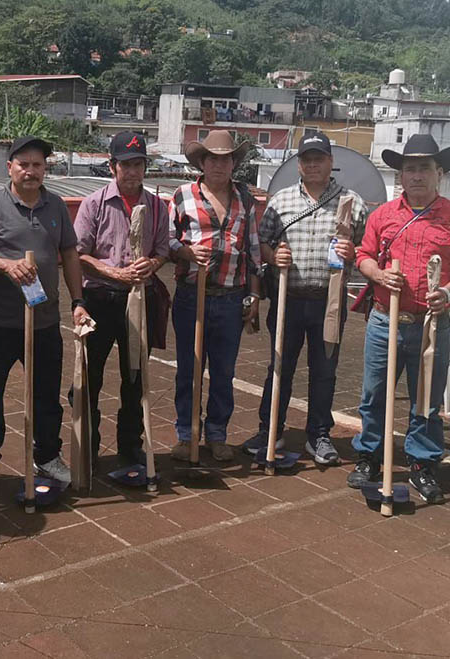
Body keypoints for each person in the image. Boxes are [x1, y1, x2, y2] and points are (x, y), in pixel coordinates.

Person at [349, 134, 450, 503]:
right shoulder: (383, 215)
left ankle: (422, 463)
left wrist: (449, 292)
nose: (417, 175)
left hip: (431, 325)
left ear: (439, 173)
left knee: (426, 398)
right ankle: (369, 456)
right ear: (401, 175)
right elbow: (363, 255)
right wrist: (378, 275)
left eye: (425, 168)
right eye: (410, 169)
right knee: (374, 394)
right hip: (385, 321)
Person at [0, 136, 92, 498]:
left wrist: (78, 300)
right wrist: (5, 265)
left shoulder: (56, 206)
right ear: (10, 167)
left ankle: (47, 456)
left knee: (47, 396)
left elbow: (69, 254)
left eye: (38, 165)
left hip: (44, 321)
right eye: (24, 164)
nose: (31, 171)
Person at [244, 133, 366, 465]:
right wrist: (274, 256)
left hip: (330, 302)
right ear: (299, 165)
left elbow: (368, 250)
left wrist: (353, 252)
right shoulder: (280, 201)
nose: (313, 165)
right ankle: (270, 429)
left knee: (324, 370)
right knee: (279, 366)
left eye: (319, 159)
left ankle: (319, 435)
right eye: (307, 160)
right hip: (288, 299)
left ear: (330, 162)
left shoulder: (351, 203)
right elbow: (261, 244)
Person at [73, 131, 169, 470]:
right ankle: (88, 446)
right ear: (112, 166)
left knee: (135, 377)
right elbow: (78, 255)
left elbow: (163, 250)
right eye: (125, 165)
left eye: (138, 165)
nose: (132, 172)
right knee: (90, 376)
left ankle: (130, 446)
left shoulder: (157, 206)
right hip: (100, 297)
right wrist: (115, 273)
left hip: (140, 298)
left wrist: (151, 264)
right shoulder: (94, 203)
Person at [169, 130, 262, 463]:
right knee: (188, 370)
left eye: (225, 159)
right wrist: (186, 252)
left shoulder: (245, 199)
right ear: (202, 162)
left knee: (224, 372)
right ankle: (186, 434)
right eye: (212, 159)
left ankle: (217, 434)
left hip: (230, 298)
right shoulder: (183, 195)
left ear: (234, 163)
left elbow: (253, 251)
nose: (219, 165)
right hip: (191, 296)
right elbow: (167, 241)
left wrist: (254, 296)